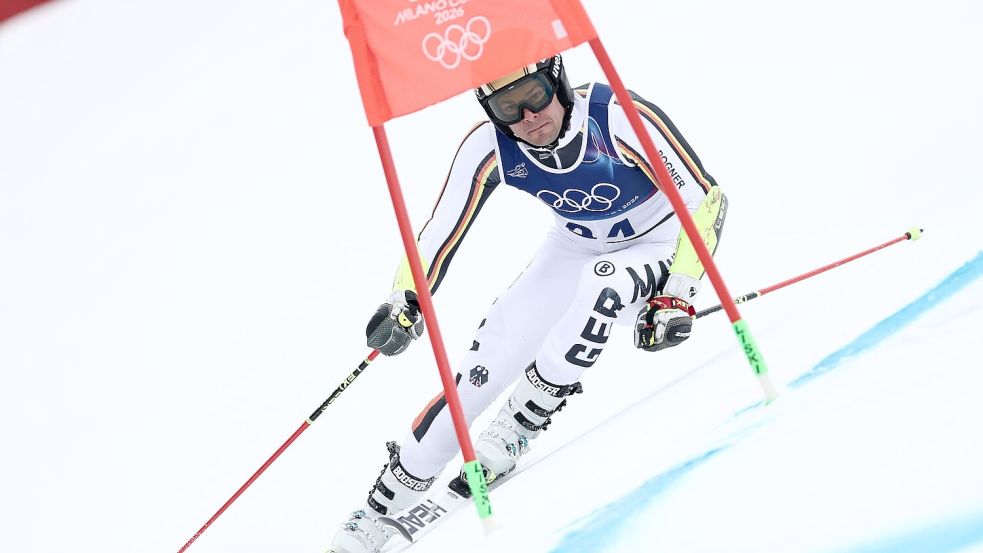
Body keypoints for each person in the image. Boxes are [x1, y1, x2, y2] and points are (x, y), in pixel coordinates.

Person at [329, 54, 725, 553]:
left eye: (534, 96)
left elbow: (705, 200)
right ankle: (381, 508)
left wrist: (677, 294)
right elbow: (439, 231)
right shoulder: (489, 144)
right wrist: (405, 299)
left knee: (603, 283)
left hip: (661, 244)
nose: (528, 118)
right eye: (507, 107)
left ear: (556, 82)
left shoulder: (616, 115)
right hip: (575, 245)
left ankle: (519, 424)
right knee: (486, 362)